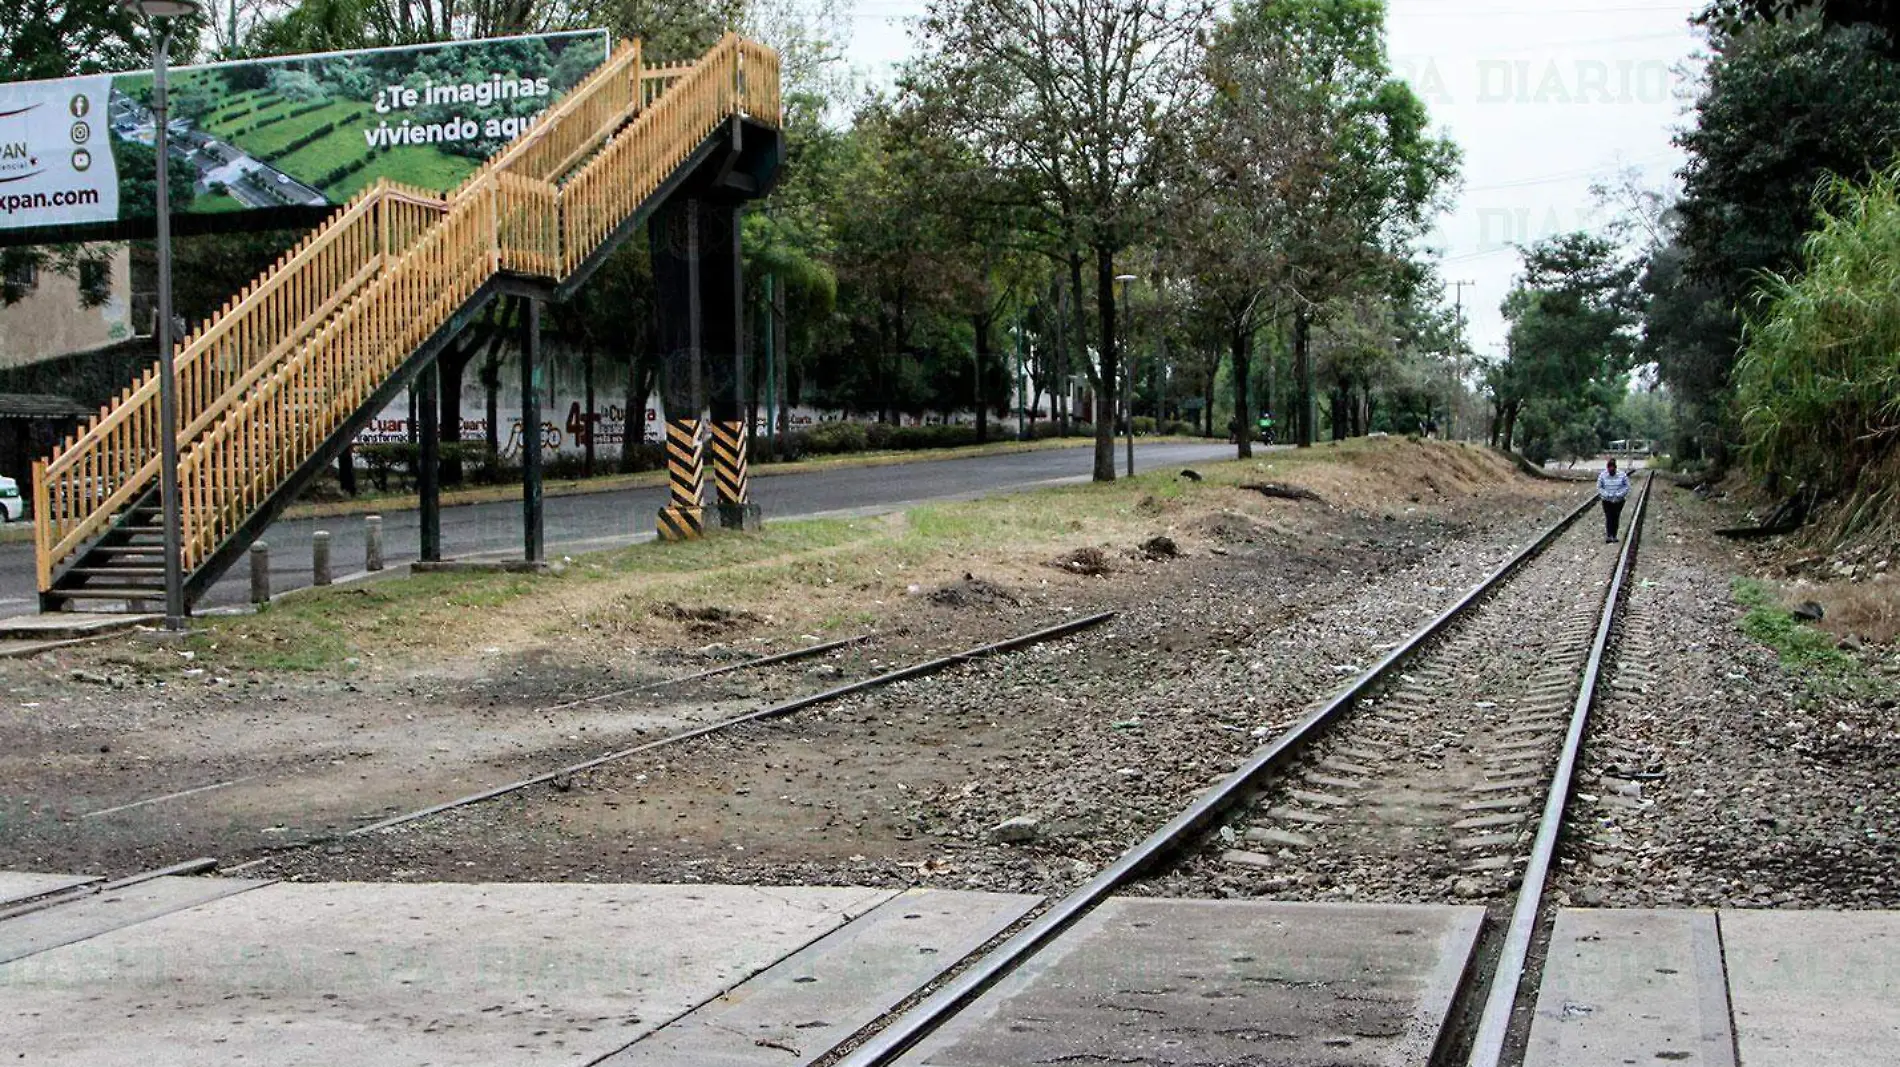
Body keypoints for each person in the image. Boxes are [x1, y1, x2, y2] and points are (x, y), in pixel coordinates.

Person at [1597, 458, 1632, 542]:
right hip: (1606, 500)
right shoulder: (1602, 475)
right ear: (1607, 468)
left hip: (1619, 500)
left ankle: (1614, 535)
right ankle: (1609, 535)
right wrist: (1607, 495)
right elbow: (1599, 487)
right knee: (1609, 517)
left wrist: (1619, 495)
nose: (1611, 471)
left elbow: (1627, 486)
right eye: (1610, 470)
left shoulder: (1622, 475)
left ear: (1615, 468)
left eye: (1613, 469)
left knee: (1616, 517)